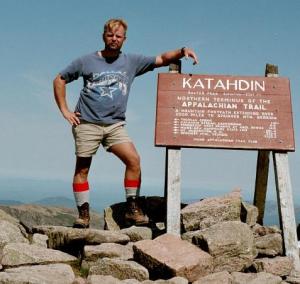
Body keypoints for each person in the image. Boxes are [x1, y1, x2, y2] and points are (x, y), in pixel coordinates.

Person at [53, 18, 198, 228]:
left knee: (134, 161)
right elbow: (59, 79)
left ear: (124, 39)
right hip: (87, 123)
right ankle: (83, 216)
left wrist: (183, 50)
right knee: (82, 169)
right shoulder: (86, 61)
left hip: (114, 125)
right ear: (104, 36)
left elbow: (161, 59)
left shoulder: (132, 61)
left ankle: (132, 210)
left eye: (118, 36)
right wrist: (65, 111)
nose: (114, 39)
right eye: (110, 35)